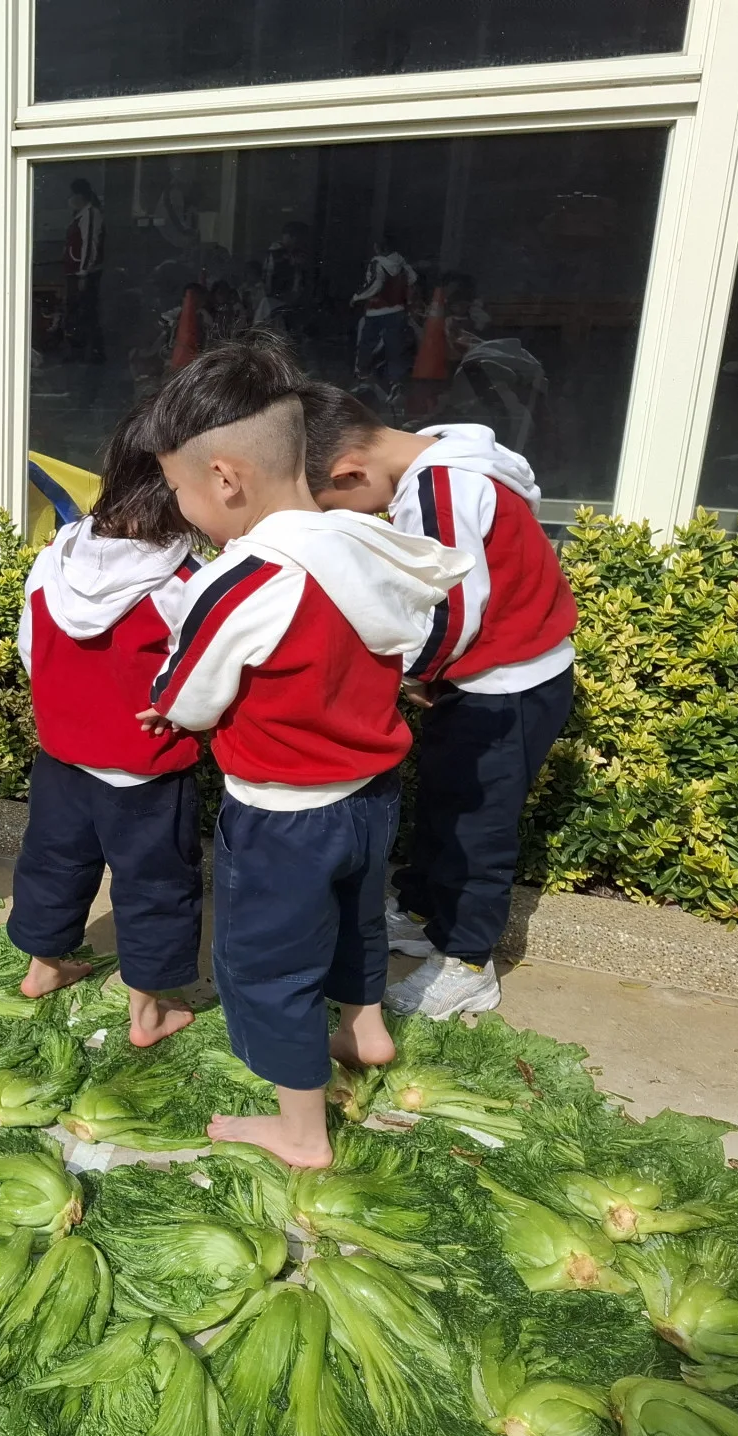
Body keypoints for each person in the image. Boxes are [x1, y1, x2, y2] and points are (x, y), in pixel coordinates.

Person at [136, 339, 470, 1168]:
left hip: (285, 816)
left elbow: (189, 691)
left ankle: (300, 1130)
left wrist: (173, 713)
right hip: (372, 795)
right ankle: (364, 1031)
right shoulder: (366, 543)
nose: (181, 508)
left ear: (225, 477)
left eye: (177, 489)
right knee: (355, 921)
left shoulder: (245, 580)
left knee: (265, 964)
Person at [299, 384, 576, 1020]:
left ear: (350, 472)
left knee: (478, 826)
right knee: (448, 804)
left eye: (339, 503)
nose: (365, 515)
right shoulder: (452, 454)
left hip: (504, 687)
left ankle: (467, 960)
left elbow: (452, 606)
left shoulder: (435, 490)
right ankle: (423, 910)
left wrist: (408, 673)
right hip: (498, 676)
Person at [9, 398, 205, 1047]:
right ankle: (146, 1011)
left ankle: (43, 966)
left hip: (64, 756)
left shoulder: (59, 551)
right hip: (146, 768)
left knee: (54, 860)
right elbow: (205, 673)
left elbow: (31, 647)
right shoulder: (183, 579)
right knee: (155, 883)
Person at [352, 235, 419, 392]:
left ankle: (363, 378)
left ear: (377, 248)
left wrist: (357, 297)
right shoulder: (402, 264)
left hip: (376, 310)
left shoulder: (377, 263)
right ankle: (396, 382)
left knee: (367, 344)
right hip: (397, 311)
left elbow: (375, 285)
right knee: (395, 347)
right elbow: (413, 281)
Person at [64, 178, 107, 363]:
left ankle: (88, 352)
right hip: (75, 272)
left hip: (85, 274)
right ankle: (78, 351)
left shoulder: (90, 214)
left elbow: (89, 245)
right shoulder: (80, 215)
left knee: (86, 313)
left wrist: (83, 272)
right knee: (78, 313)